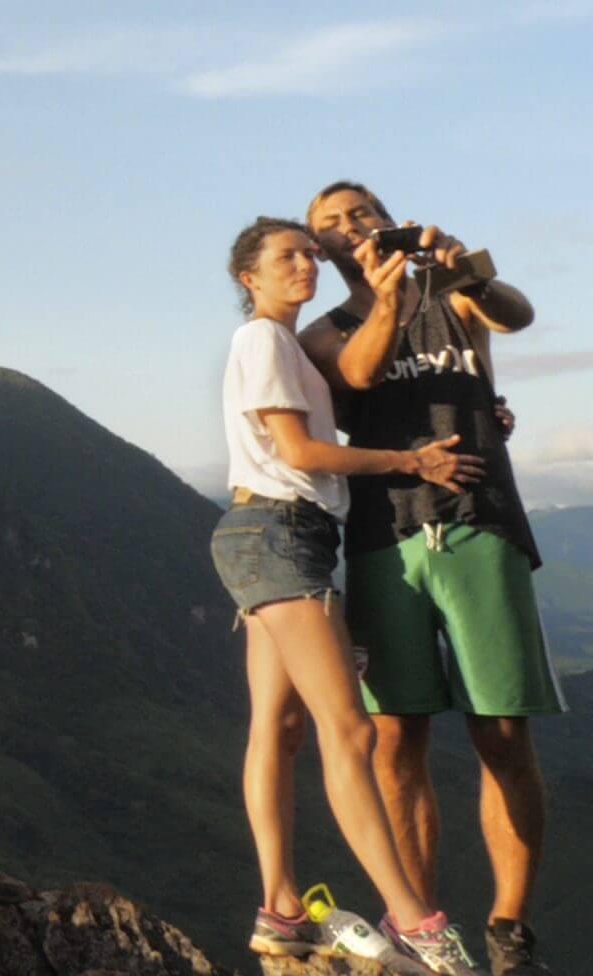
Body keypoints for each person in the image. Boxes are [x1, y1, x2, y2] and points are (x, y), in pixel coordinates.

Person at [301, 183, 562, 976]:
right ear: (323, 251)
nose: (352, 229)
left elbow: (515, 314)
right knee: (394, 738)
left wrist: (466, 275)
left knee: (502, 730)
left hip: (481, 522)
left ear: (389, 217)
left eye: (361, 213)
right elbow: (356, 375)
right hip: (384, 536)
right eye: (331, 227)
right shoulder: (323, 332)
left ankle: (509, 928)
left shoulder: (456, 290)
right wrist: (385, 301)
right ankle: (420, 927)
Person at [213, 218, 482, 974]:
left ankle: (282, 910)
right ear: (249, 277)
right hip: (279, 532)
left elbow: (354, 382)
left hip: (269, 533)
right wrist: (411, 460)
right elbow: (297, 452)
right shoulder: (263, 341)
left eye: (308, 255)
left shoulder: (288, 347)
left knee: (280, 727)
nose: (305, 265)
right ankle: (415, 922)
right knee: (351, 732)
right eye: (285, 258)